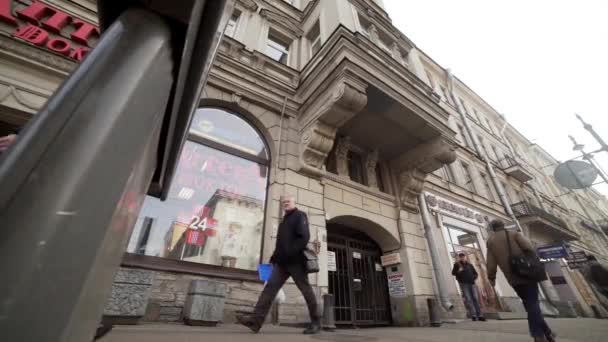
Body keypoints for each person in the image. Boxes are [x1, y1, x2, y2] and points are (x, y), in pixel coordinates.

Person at [237, 195, 320, 334]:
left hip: (296, 262)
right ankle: (255, 321)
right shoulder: (284, 221)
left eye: (288, 201)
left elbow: (304, 237)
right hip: (281, 263)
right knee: (269, 289)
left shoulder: (300, 215)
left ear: (294, 203)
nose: (285, 204)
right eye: (284, 202)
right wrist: (273, 259)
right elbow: (280, 244)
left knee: (306, 291)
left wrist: (289, 253)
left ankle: (316, 322)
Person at [486, 219, 555, 342]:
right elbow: (529, 248)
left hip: (513, 278)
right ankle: (537, 334)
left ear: (492, 228)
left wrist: (492, 278)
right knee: (532, 303)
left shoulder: (491, 241)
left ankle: (547, 333)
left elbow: (491, 263)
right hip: (527, 273)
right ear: (503, 225)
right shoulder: (514, 234)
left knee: (529, 304)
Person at [452, 252, 485, 321]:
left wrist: (473, 277)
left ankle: (480, 315)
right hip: (464, 284)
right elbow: (453, 273)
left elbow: (475, 274)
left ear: (465, 257)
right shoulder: (457, 265)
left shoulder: (470, 265)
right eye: (461, 257)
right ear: (459, 258)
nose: (462, 258)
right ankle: (473, 315)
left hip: (472, 284)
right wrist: (458, 271)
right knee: (468, 299)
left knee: (475, 298)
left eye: (463, 256)